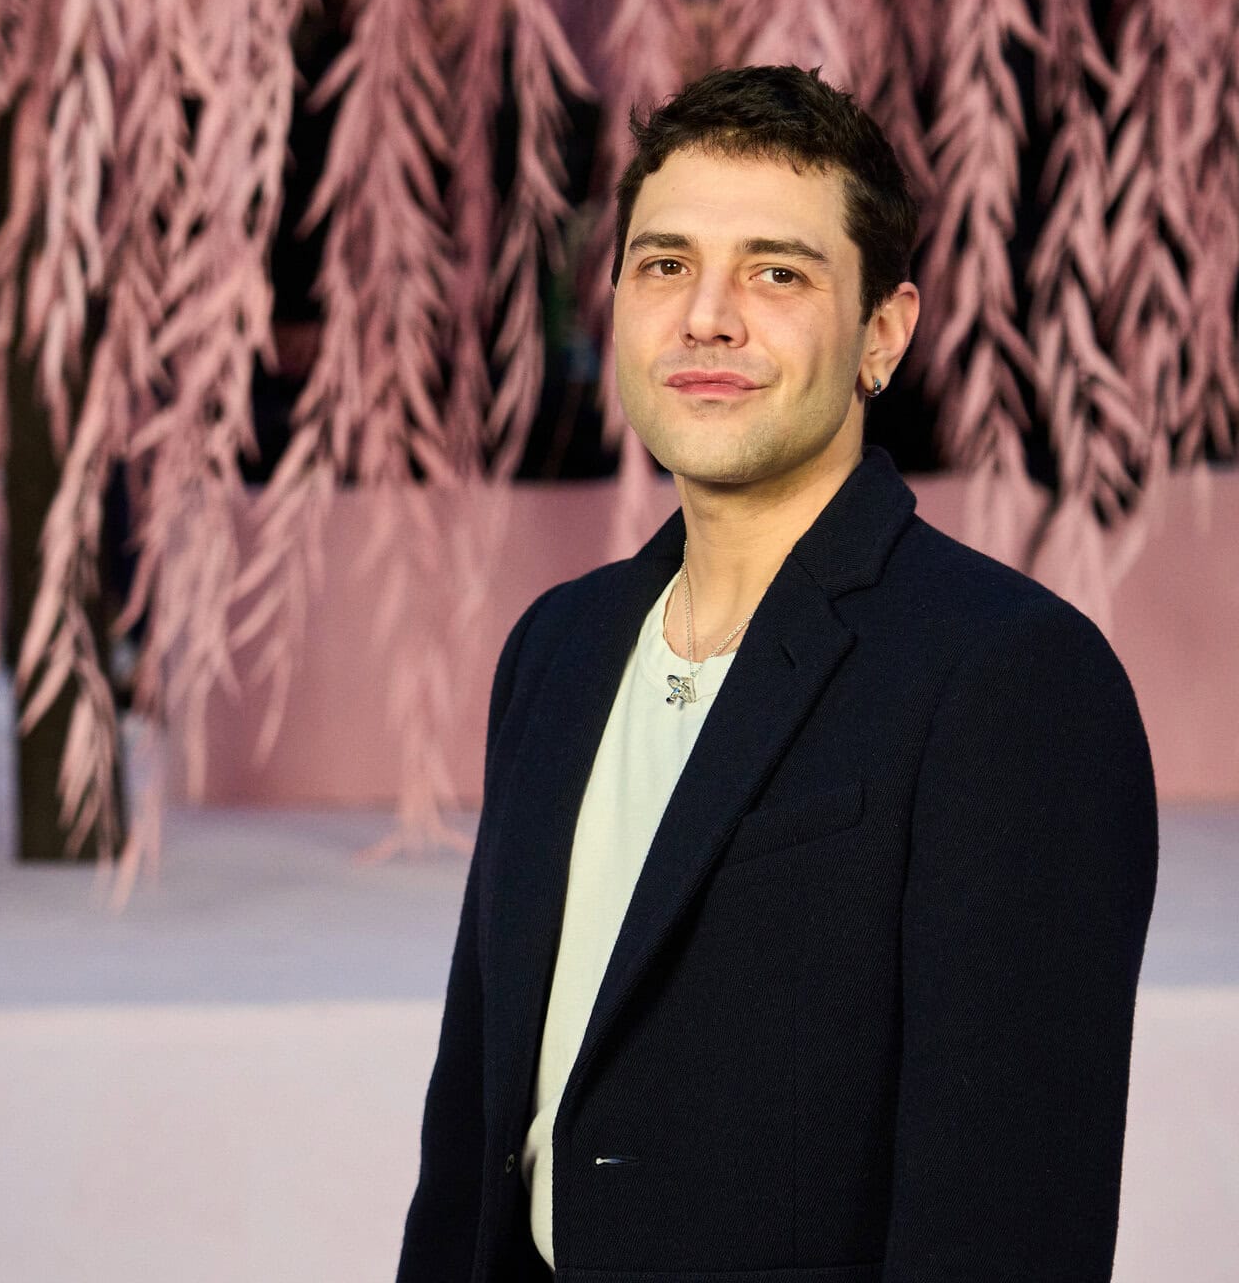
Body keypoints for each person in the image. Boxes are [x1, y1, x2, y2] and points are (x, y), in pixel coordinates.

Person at [394, 65, 1158, 1283]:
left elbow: (1007, 1219)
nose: (706, 317)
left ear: (882, 334)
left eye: (776, 272)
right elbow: (477, 1127)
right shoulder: (557, 647)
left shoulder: (1010, 677)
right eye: (664, 264)